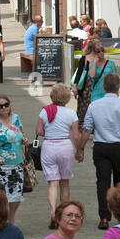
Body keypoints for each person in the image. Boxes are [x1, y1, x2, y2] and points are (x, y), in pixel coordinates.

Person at [77, 72, 120, 229]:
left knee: (102, 183)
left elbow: (86, 130)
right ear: (118, 88)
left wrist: (80, 148)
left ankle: (104, 217)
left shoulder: (94, 105)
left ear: (104, 87)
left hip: (101, 147)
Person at [36, 83, 82, 229]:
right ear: (67, 98)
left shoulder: (44, 112)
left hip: (49, 147)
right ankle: (64, 214)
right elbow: (75, 135)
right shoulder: (71, 113)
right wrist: (79, 150)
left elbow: (39, 131)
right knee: (65, 183)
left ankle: (52, 211)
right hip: (65, 147)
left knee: (53, 183)